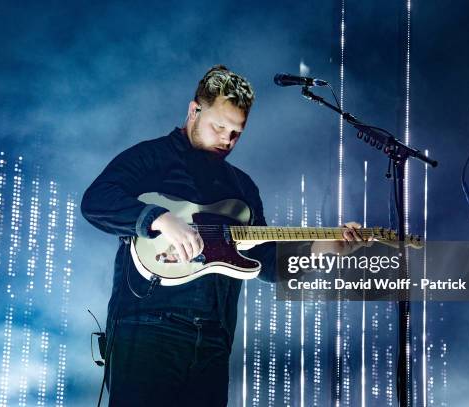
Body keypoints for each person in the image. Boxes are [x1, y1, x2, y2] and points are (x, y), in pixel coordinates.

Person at [81, 65, 366, 406]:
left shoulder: (242, 187)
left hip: (214, 339)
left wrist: (321, 249)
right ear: (194, 111)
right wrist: (159, 218)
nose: (227, 140)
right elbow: (95, 201)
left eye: (236, 133)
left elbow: (265, 263)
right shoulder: (151, 158)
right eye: (219, 127)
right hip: (147, 329)